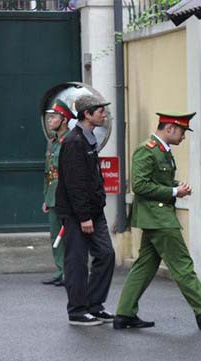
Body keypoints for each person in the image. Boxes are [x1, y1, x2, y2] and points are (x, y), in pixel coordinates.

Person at [114, 112, 201, 330]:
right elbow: (139, 185)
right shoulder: (147, 150)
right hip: (158, 217)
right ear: (169, 128)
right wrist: (173, 191)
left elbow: (157, 180)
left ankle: (124, 314)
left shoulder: (163, 151)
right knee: (182, 265)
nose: (183, 136)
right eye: (182, 131)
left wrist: (177, 185)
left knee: (144, 266)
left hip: (156, 217)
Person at [55, 94, 115, 326]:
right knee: (77, 261)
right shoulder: (74, 142)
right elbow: (75, 184)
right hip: (78, 214)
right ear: (87, 114)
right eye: (100, 111)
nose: (104, 114)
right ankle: (77, 311)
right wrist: (84, 217)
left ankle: (94, 305)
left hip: (93, 211)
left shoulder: (88, 139)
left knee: (106, 254)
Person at [41, 99, 74, 287]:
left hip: (66, 195)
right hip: (53, 195)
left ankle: (70, 272)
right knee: (55, 235)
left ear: (64, 120)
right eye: (49, 117)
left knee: (69, 236)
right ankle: (60, 270)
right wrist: (46, 197)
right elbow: (48, 172)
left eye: (53, 117)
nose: (49, 120)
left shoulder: (70, 140)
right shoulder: (52, 142)